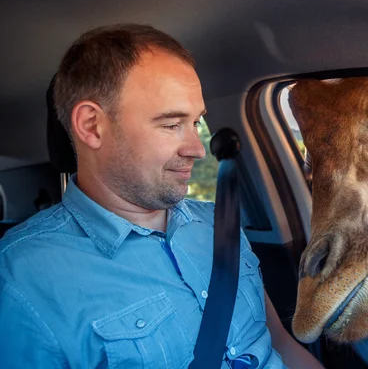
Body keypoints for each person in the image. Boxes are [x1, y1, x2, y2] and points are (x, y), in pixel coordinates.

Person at [0, 24, 323, 369]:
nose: (198, 149)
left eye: (196, 122)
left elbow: (277, 342)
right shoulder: (21, 279)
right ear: (92, 125)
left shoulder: (218, 224)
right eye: (171, 125)